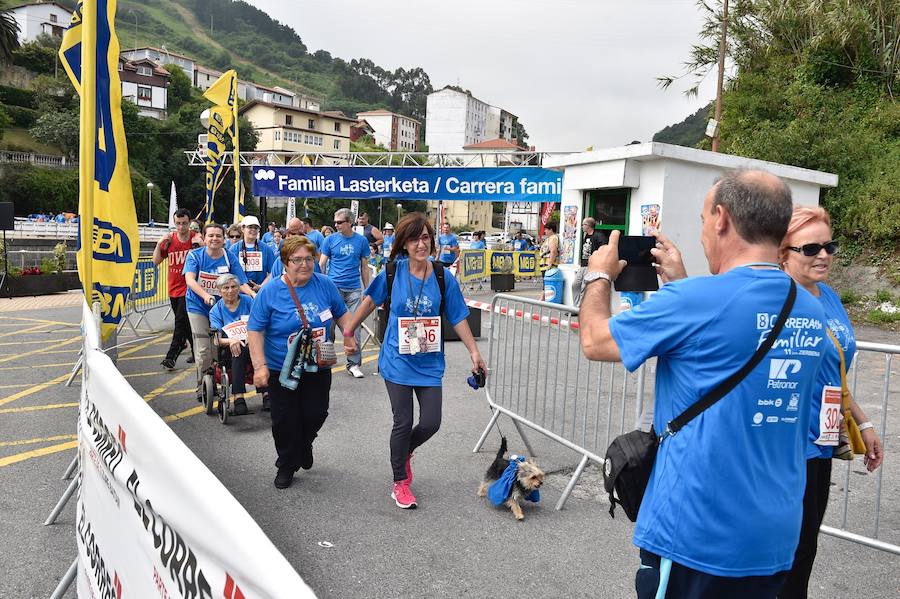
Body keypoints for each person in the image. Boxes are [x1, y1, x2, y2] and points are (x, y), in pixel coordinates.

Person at [579, 169, 828, 598]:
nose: (701, 233)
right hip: (774, 533)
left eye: (701, 220)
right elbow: (731, 327)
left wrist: (598, 275)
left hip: (696, 531)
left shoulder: (695, 302)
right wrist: (682, 281)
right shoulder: (809, 309)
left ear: (722, 219)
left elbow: (594, 340)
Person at [343, 212, 486, 510]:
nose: (421, 244)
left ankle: (403, 452)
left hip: (429, 360)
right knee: (403, 420)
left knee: (431, 422)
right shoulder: (393, 273)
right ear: (404, 244)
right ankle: (400, 482)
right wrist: (349, 330)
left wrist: (474, 352)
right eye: (414, 239)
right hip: (397, 358)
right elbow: (369, 301)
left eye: (425, 238)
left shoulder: (441, 275)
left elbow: (458, 316)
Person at [777, 206, 884, 598]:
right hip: (781, 443)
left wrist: (864, 423)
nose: (823, 255)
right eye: (810, 248)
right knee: (779, 552)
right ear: (783, 252)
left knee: (805, 549)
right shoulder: (775, 298)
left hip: (820, 441)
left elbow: (834, 371)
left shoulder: (830, 296)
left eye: (829, 246)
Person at [248, 236, 357, 489]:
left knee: (316, 412)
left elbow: (341, 313)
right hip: (282, 368)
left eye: (309, 259)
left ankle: (305, 443)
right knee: (284, 419)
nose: (305, 265)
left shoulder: (325, 284)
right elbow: (255, 330)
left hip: (317, 363)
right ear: (285, 263)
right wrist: (260, 366)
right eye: (297, 260)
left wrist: (349, 336)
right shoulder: (270, 291)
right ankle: (286, 463)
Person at [184, 223, 254, 401]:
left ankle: (224, 377)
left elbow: (241, 282)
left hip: (224, 306)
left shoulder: (229, 258)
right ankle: (202, 385)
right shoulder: (195, 256)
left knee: (224, 344)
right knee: (204, 349)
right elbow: (190, 280)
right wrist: (206, 295)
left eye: (218, 236)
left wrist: (253, 294)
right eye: (211, 235)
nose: (214, 239)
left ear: (224, 239)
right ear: (204, 237)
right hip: (198, 306)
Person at [319, 208, 371, 378]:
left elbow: (364, 266)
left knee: (354, 327)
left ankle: (354, 363)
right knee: (329, 326)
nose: (336, 225)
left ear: (350, 222)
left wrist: (367, 289)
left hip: (354, 289)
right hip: (333, 290)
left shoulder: (361, 241)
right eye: (335, 222)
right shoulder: (330, 240)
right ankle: (325, 359)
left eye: (339, 222)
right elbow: (322, 264)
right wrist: (322, 285)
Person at [153, 208, 203, 371]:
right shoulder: (170, 240)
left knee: (180, 321)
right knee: (185, 323)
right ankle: (195, 351)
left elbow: (205, 256)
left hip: (189, 287)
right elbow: (156, 261)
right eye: (178, 224)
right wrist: (160, 243)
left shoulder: (195, 240)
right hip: (173, 287)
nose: (181, 227)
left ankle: (171, 356)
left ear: (190, 223)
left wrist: (201, 243)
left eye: (185, 224)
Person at [208, 274, 255, 416]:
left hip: (251, 343)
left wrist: (252, 336)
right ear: (219, 291)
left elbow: (260, 323)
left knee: (258, 348)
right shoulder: (216, 310)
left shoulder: (248, 302)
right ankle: (238, 397)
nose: (230, 290)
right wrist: (231, 340)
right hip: (229, 349)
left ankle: (265, 392)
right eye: (226, 288)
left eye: (234, 286)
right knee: (238, 349)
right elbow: (217, 340)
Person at [228, 215, 275, 292]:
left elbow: (272, 272)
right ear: (243, 229)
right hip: (239, 293)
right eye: (250, 227)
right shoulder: (233, 249)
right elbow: (230, 273)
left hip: (260, 292)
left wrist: (261, 286)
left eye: (256, 228)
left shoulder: (267, 249)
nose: (253, 230)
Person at [571, 217, 609, 306]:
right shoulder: (586, 236)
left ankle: (579, 307)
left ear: (588, 226)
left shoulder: (599, 236)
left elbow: (604, 249)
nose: (582, 226)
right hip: (583, 265)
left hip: (592, 266)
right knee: (575, 285)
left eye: (583, 224)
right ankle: (576, 305)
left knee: (584, 287)